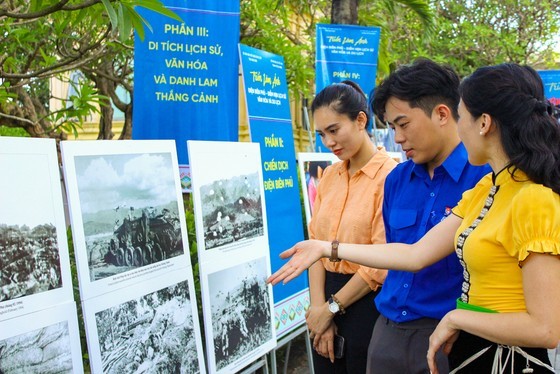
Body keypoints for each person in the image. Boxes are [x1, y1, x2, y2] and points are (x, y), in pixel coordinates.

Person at [268, 63, 560, 373]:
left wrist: (455, 316)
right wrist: (327, 247)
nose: (460, 129)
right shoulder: (486, 189)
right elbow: (414, 253)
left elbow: (547, 328)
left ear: (484, 123)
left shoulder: (531, 198)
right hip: (453, 340)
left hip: (500, 355)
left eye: (463, 117)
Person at [368, 58, 492, 374]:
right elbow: (396, 253)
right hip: (387, 333)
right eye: (392, 127)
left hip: (453, 337)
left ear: (441, 113)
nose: (397, 138)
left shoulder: (485, 178)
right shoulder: (396, 180)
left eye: (403, 124)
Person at [305, 80, 397, 373]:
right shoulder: (329, 175)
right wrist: (318, 309)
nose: (328, 142)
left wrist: (332, 308)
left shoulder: (391, 177)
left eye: (334, 130)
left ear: (360, 120)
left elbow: (381, 260)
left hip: (367, 303)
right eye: (321, 134)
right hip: (323, 297)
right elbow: (315, 244)